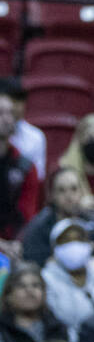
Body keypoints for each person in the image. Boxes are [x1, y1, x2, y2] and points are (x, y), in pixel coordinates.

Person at [40, 219, 94, 342]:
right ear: (55, 247)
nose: (74, 245)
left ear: (90, 244)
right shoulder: (46, 279)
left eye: (80, 239)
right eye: (67, 240)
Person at [20, 167, 94, 268]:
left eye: (74, 189)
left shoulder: (92, 223)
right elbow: (33, 264)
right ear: (52, 195)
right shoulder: (39, 227)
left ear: (82, 192)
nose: (69, 196)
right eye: (61, 190)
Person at [0, 263, 67, 342]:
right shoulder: (2, 329)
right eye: (21, 286)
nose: (30, 291)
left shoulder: (57, 327)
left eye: (36, 285)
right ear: (8, 295)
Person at [0, 89, 37, 244]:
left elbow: (27, 215)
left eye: (11, 113)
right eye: (1, 113)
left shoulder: (25, 167)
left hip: (13, 245)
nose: (8, 119)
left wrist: (16, 244)